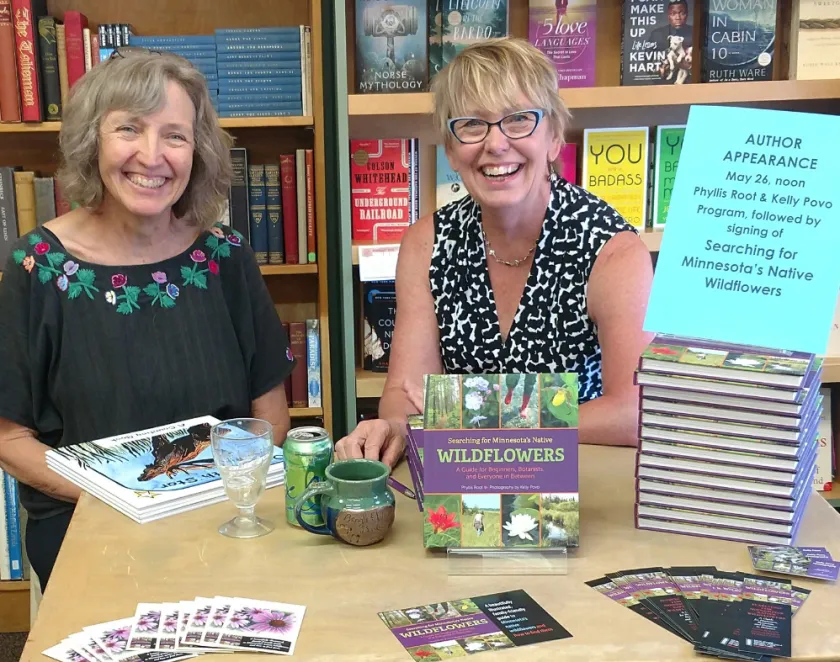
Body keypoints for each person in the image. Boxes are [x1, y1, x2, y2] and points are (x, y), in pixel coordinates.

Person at [0, 49, 295, 590]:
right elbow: (10, 439)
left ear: (197, 151)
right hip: (89, 523)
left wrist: (202, 497)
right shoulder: (36, 267)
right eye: (128, 129)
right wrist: (133, 498)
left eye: (175, 136)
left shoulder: (227, 258)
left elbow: (269, 423)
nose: (151, 155)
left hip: (220, 516)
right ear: (93, 140)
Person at [335, 37, 653, 467]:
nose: (496, 143)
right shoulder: (427, 243)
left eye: (518, 120)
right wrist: (392, 426)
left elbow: (634, 413)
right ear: (450, 148)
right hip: (464, 485)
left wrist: (474, 420)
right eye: (471, 125)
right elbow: (402, 393)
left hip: (581, 488)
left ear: (555, 138)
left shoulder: (613, 250)